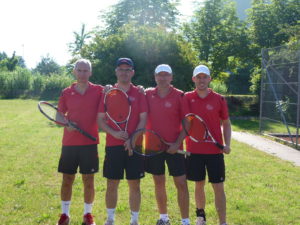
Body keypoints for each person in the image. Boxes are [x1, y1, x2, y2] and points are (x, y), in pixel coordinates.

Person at [97, 58, 148, 225]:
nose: (124, 72)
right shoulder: (108, 93)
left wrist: (133, 139)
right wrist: (114, 133)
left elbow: (143, 119)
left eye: (128, 69)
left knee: (135, 184)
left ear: (132, 72)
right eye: (121, 69)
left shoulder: (139, 93)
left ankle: (134, 221)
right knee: (112, 183)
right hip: (113, 146)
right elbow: (101, 120)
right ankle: (110, 219)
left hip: (135, 145)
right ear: (116, 72)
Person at [56, 59, 103, 225]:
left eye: (86, 71)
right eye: (80, 70)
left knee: (88, 180)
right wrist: (66, 124)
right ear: (74, 72)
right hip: (69, 144)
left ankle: (88, 215)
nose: (82, 74)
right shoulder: (66, 92)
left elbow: (116, 93)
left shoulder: (99, 90)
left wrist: (142, 89)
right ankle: (64, 214)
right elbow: (58, 116)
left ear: (90, 72)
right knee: (67, 179)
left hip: (89, 144)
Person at [184, 65, 231, 225]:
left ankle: (222, 222)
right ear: (194, 79)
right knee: (199, 185)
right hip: (194, 150)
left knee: (218, 187)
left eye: (204, 77)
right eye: (198, 77)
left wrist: (228, 144)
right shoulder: (186, 98)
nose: (201, 80)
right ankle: (200, 217)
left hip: (215, 152)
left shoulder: (219, 99)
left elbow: (226, 123)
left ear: (209, 79)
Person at [144, 64, 190, 225]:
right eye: (159, 75)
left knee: (181, 183)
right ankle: (163, 218)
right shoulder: (147, 94)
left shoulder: (180, 95)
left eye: (166, 75)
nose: (162, 78)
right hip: (153, 147)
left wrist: (177, 144)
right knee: (159, 182)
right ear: (155, 77)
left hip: (175, 148)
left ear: (171, 77)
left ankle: (185, 221)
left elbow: (187, 124)